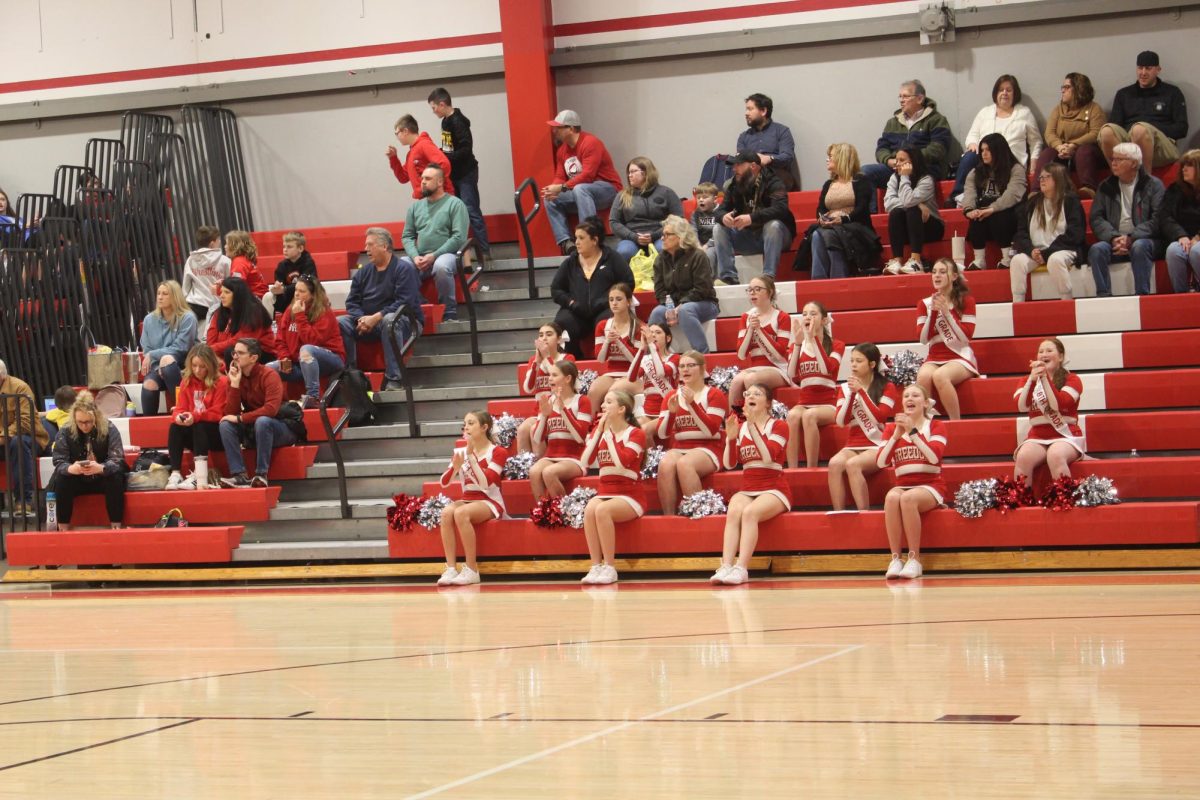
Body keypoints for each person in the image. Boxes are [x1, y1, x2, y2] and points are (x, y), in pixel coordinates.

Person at [712, 383, 790, 585]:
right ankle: (726, 566)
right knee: (734, 511)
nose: (751, 396)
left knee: (749, 513)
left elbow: (768, 456)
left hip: (774, 487)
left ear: (768, 403)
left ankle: (742, 568)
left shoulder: (779, 426)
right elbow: (729, 464)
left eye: (757, 394)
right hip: (748, 487)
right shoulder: (742, 427)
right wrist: (730, 439)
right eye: (748, 394)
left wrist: (753, 425)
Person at [340, 227, 425, 391]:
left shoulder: (403, 269)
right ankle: (350, 373)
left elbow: (404, 302)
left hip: (407, 321)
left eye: (370, 245)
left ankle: (395, 378)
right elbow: (351, 302)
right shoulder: (363, 272)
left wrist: (376, 317)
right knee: (341, 322)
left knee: (390, 319)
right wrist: (361, 319)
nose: (366, 249)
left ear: (384, 246)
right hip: (370, 322)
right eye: (366, 245)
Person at [877, 383, 947, 579]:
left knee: (908, 499)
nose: (909, 398)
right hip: (903, 485)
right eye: (906, 395)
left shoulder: (935, 425)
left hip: (931, 485)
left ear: (925, 403)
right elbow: (881, 462)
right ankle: (895, 559)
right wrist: (896, 436)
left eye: (915, 395)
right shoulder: (892, 428)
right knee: (892, 497)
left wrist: (914, 434)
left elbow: (934, 457)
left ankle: (914, 559)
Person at [578, 390, 647, 585]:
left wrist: (608, 437)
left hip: (630, 494)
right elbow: (585, 461)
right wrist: (599, 432)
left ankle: (609, 567)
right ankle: (595, 566)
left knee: (602, 510)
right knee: (590, 508)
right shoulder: (600, 431)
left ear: (621, 409)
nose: (602, 406)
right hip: (606, 491)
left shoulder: (636, 433)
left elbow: (623, 462)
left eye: (608, 402)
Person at [436, 410, 507, 586]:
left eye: (471, 423)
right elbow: (444, 482)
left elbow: (486, 484)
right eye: (465, 423)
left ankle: (472, 569)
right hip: (468, 497)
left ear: (484, 427)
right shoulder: (461, 451)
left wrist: (471, 458)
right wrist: (455, 467)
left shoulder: (498, 452)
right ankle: (451, 568)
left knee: (460, 513)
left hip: (489, 500)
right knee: (446, 513)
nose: (466, 427)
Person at [549, 216, 634, 358]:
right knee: (562, 322)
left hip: (605, 307)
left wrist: (607, 300)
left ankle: (608, 360)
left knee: (608, 321)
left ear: (594, 240)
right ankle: (573, 360)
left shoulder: (612, 258)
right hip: (576, 310)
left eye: (581, 238)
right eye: (575, 238)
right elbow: (556, 289)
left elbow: (628, 282)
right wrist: (571, 303)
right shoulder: (571, 262)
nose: (576, 242)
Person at [1088, 143, 1165, 297]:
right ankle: (1104, 296)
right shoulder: (1105, 186)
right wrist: (1114, 238)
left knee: (1139, 246)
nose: (1113, 163)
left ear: (1134, 163)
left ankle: (1142, 295)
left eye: (1119, 159)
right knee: (1096, 250)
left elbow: (1159, 219)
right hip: (1115, 240)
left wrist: (1132, 237)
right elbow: (1096, 218)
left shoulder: (1153, 185)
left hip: (1145, 240)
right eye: (1112, 159)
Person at [950, 75, 1042, 204]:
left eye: (1008, 90)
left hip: (1009, 159)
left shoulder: (1024, 113)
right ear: (996, 93)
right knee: (969, 157)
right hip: (985, 158)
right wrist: (972, 144)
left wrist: (1034, 162)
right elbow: (973, 135)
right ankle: (957, 196)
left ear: (1015, 93)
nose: (1004, 93)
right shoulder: (985, 112)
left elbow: (1036, 141)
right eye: (1001, 90)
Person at [656, 351, 728, 515]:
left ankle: (698, 515)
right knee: (665, 464)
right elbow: (662, 434)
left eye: (690, 365)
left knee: (685, 464)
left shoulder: (714, 394)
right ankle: (669, 518)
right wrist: (672, 412)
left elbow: (711, 431)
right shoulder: (671, 396)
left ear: (703, 368)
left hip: (709, 447)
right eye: (682, 366)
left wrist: (692, 405)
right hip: (681, 446)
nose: (685, 370)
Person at [541, 110, 623, 254]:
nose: (554, 131)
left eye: (558, 128)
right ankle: (567, 243)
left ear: (571, 129)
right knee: (550, 199)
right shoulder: (562, 151)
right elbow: (560, 176)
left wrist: (561, 187)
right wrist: (553, 190)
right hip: (581, 193)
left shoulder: (591, 142)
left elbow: (588, 176)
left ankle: (589, 237)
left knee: (580, 188)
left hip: (607, 190)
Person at [828, 343, 898, 512]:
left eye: (858, 361)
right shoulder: (846, 388)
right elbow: (841, 421)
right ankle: (839, 513)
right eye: (851, 361)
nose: (853, 365)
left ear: (872, 364)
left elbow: (880, 417)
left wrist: (861, 392)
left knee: (853, 465)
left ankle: (864, 513)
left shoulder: (887, 387)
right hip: (853, 444)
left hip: (877, 444)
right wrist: (851, 394)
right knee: (834, 463)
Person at [862, 79, 953, 209]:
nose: (901, 100)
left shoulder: (936, 120)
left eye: (905, 96)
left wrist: (911, 160)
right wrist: (890, 160)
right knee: (865, 172)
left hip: (923, 168)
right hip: (895, 167)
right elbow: (881, 148)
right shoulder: (892, 122)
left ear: (920, 99)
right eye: (900, 96)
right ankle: (872, 217)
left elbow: (939, 148)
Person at [218, 338, 293, 489]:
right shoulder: (236, 376)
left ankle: (261, 475)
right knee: (226, 424)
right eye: (234, 353)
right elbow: (230, 412)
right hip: (255, 427)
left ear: (254, 358)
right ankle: (239, 475)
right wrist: (235, 384)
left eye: (240, 353)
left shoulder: (269, 375)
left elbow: (271, 410)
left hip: (282, 426)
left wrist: (240, 418)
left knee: (263, 421)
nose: (235, 357)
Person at [711, 150, 795, 285]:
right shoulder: (734, 185)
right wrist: (723, 217)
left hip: (776, 237)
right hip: (748, 237)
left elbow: (781, 209)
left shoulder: (773, 182)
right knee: (718, 228)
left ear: (753, 166)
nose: (734, 169)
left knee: (772, 225)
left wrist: (752, 218)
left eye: (738, 165)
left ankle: (768, 277)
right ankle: (729, 277)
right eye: (734, 166)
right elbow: (719, 210)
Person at [1009, 163, 1088, 303]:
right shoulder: (1032, 203)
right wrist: (1031, 250)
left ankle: (1066, 301)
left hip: (1065, 249)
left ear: (1058, 178)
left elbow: (1076, 233)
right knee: (1017, 261)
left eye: (1047, 177)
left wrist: (1047, 253)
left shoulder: (1070, 201)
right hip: (1037, 252)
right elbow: (1021, 233)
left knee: (1055, 260)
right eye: (1040, 177)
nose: (1042, 180)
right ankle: (1018, 303)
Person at [1013, 338, 1084, 492]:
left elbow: (1059, 404)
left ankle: (1063, 501)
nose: (1044, 354)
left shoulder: (1072, 379)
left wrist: (1044, 379)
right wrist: (1032, 380)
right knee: (1023, 457)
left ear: (1060, 357)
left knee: (1055, 455)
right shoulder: (1027, 380)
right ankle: (1021, 503)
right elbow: (1021, 406)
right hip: (1037, 436)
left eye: (1049, 351)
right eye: (1041, 351)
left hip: (1066, 435)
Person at [1099, 51, 1189, 171]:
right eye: (1140, 68)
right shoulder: (1124, 94)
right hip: (1130, 143)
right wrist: (1133, 134)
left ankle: (1144, 183)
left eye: (1148, 68)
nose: (1143, 73)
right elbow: (1116, 125)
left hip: (1162, 146)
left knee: (1140, 129)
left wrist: (1150, 129)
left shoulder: (1172, 93)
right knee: (1106, 131)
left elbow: (1182, 128)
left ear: (1158, 70)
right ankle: (1121, 177)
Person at [48, 392, 126, 529]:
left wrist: (102, 468)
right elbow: (59, 461)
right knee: (61, 478)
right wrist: (70, 468)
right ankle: (63, 528)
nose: (84, 426)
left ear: (96, 416)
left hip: (102, 476)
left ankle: (116, 526)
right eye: (80, 422)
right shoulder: (65, 431)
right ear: (74, 419)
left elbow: (118, 459)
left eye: (88, 422)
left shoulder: (109, 428)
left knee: (115, 477)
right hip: (77, 478)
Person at [402, 164, 469, 323]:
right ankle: (421, 304)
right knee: (401, 266)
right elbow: (407, 236)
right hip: (421, 256)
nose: (423, 182)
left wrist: (434, 255)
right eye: (422, 178)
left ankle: (449, 312)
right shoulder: (415, 207)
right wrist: (415, 256)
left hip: (449, 255)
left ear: (440, 182)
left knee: (441, 266)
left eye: (428, 178)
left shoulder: (455, 204)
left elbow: (459, 237)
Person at [802, 143, 880, 279]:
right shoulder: (828, 184)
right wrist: (821, 218)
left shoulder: (860, 180)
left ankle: (837, 278)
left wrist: (843, 219)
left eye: (830, 156)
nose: (827, 160)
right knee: (816, 234)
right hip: (831, 226)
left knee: (830, 234)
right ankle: (819, 279)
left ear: (841, 158)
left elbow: (862, 209)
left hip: (855, 227)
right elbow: (821, 208)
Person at [267, 275, 346, 408]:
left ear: (313, 295)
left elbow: (312, 340)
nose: (297, 294)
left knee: (306, 350)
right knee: (268, 369)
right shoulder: (289, 310)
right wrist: (285, 358)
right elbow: (280, 340)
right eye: (296, 290)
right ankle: (273, 404)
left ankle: (313, 398)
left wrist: (300, 316)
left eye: (302, 291)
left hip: (330, 360)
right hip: (299, 363)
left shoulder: (324, 313)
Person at [647, 215, 720, 354]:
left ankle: (703, 356)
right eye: (662, 235)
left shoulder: (698, 256)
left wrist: (679, 307)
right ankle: (653, 357)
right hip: (674, 306)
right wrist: (669, 308)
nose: (662, 238)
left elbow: (702, 289)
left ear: (681, 236)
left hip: (704, 303)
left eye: (667, 234)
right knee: (657, 312)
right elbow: (660, 291)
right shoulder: (660, 259)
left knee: (685, 310)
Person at [428, 87, 488, 255]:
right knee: (456, 213)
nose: (433, 112)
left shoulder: (459, 122)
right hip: (454, 174)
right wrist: (441, 154)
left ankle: (485, 252)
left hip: (466, 173)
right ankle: (461, 252)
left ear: (442, 104)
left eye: (433, 108)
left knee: (471, 210)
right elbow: (449, 149)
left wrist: (444, 157)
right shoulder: (445, 122)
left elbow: (465, 150)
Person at [785, 301, 845, 469]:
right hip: (804, 402)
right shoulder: (797, 345)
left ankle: (811, 468)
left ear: (824, 320)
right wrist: (797, 344)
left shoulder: (836, 344)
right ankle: (793, 469)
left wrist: (813, 340)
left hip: (829, 404)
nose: (808, 317)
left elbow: (827, 369)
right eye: (804, 314)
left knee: (809, 416)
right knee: (792, 416)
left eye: (813, 314)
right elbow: (791, 374)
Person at [917, 258, 977, 420]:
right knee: (922, 377)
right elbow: (923, 339)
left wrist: (947, 314)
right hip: (935, 356)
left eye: (943, 272)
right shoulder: (924, 304)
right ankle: (926, 424)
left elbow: (965, 337)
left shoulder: (967, 301)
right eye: (934, 272)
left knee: (940, 376)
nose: (937, 276)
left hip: (960, 356)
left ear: (955, 276)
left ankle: (956, 423)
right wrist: (934, 313)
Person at [165, 344, 229, 490]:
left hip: (215, 433)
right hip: (194, 429)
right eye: (194, 366)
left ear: (211, 366)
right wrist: (179, 416)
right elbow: (180, 408)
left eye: (202, 366)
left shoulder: (222, 382)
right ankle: (175, 473)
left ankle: (200, 475)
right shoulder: (186, 381)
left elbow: (218, 413)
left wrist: (195, 416)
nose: (197, 370)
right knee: (175, 426)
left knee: (200, 425)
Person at [961, 133, 1028, 270]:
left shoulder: (1016, 169)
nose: (984, 154)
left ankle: (1007, 258)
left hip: (1010, 216)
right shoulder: (975, 172)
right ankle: (979, 260)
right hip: (986, 218)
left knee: (999, 213)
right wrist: (969, 210)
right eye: (982, 150)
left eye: (988, 150)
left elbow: (1013, 195)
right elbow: (969, 193)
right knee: (976, 216)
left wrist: (992, 209)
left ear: (998, 150)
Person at [1033, 72, 1106, 196]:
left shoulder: (1094, 109)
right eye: (1062, 87)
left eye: (1067, 87)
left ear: (1079, 89)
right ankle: (1036, 191)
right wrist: (1059, 146)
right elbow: (1049, 133)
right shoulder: (1058, 109)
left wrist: (1073, 145)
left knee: (1085, 151)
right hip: (1062, 152)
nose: (1063, 91)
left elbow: (1096, 133)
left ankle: (1088, 189)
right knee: (1047, 153)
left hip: (1085, 154)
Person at [528, 360, 592, 501]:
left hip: (575, 458)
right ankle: (545, 514)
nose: (549, 378)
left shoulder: (582, 401)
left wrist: (563, 410)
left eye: (554, 375)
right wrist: (544, 415)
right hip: (550, 455)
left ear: (568, 378)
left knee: (549, 472)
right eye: (549, 375)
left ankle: (563, 513)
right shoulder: (547, 401)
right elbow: (538, 439)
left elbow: (580, 438)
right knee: (534, 471)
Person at [728, 275, 792, 409]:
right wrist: (751, 328)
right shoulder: (746, 317)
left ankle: (756, 418)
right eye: (750, 290)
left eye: (757, 289)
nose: (752, 293)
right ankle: (736, 423)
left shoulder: (782, 317)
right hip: (754, 367)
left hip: (777, 368)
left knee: (751, 379)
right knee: (736, 382)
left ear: (770, 292)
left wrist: (760, 330)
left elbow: (779, 354)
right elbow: (741, 355)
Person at [139, 280, 198, 416]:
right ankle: (150, 425)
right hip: (157, 367)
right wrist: (157, 364)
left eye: (165, 294)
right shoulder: (149, 320)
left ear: (175, 296)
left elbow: (181, 347)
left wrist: (156, 356)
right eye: (158, 293)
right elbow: (146, 349)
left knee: (167, 359)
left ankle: (183, 408)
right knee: (149, 385)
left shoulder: (187, 318)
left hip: (184, 366)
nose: (160, 297)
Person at [609, 157, 683, 264]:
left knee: (663, 250)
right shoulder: (622, 195)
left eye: (633, 171)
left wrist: (655, 235)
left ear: (646, 173)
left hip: (660, 236)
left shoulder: (667, 192)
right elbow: (614, 222)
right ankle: (628, 281)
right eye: (628, 172)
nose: (629, 175)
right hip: (631, 237)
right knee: (624, 252)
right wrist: (633, 236)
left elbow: (678, 218)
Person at [882, 147, 943, 275]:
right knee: (896, 213)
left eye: (902, 160)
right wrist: (920, 204)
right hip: (908, 228)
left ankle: (916, 261)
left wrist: (905, 177)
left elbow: (909, 201)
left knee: (912, 210)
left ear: (913, 162)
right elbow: (888, 203)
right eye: (896, 160)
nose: (897, 164)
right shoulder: (894, 178)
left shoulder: (926, 179)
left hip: (931, 226)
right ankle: (897, 260)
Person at [0, 359, 49, 515]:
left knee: (17, 443)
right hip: (3, 439)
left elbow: (25, 422)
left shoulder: (20, 388)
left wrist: (2, 436)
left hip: (29, 438)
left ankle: (24, 500)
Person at [516, 322, 572, 456]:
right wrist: (536, 362)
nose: (544, 338)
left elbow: (559, 378)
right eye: (541, 335)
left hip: (559, 410)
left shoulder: (567, 359)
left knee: (534, 429)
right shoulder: (534, 360)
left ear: (558, 339)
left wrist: (547, 357)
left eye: (549, 334)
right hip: (539, 411)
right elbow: (528, 388)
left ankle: (540, 466)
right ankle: (525, 467)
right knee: (523, 429)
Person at [588, 283, 643, 411]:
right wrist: (607, 342)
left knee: (613, 392)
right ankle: (592, 426)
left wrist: (619, 342)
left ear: (628, 302)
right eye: (611, 299)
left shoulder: (639, 326)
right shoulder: (603, 325)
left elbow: (636, 360)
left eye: (619, 299)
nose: (614, 303)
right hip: (611, 372)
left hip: (632, 374)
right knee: (593, 391)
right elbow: (601, 359)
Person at [629, 322, 679, 445]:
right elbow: (631, 377)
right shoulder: (646, 360)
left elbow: (661, 372)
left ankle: (653, 462)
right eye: (650, 333)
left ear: (668, 338)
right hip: (648, 412)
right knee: (632, 430)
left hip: (667, 412)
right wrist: (642, 349)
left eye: (658, 332)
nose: (653, 335)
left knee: (644, 430)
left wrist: (651, 345)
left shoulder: (675, 358)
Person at [736, 93, 799, 191]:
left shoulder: (782, 131)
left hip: (776, 174)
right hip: (751, 176)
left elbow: (787, 156)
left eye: (750, 109)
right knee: (728, 185)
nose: (746, 113)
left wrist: (769, 159)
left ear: (763, 111)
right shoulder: (743, 137)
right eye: (746, 109)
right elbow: (740, 160)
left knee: (774, 183)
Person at [207, 277, 276, 364]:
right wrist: (209, 352)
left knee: (231, 352)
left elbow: (241, 341)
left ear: (238, 295)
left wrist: (211, 350)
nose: (221, 296)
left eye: (226, 292)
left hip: (260, 354)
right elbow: (211, 338)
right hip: (228, 351)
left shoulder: (254, 312)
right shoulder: (220, 312)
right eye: (221, 292)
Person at [387, 114, 453, 200]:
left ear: (405, 131)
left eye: (397, 133)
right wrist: (393, 158)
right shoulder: (411, 153)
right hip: (426, 199)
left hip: (438, 198)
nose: (397, 138)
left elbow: (444, 164)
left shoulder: (424, 144)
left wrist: (432, 187)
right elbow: (403, 178)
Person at [1162, 149, 1200, 294]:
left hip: (1198, 240)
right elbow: (1165, 217)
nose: (1184, 168)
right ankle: (1181, 294)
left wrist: (1198, 237)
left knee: (1197, 251)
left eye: (1189, 165)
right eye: (1183, 165)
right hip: (1183, 237)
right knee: (1173, 251)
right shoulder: (1175, 190)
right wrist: (1180, 235)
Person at [181, 225, 230, 323]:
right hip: (217, 306)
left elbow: (186, 285)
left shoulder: (191, 259)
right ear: (212, 244)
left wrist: (184, 305)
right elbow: (231, 284)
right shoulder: (225, 261)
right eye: (218, 240)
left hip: (194, 305)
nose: (220, 242)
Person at [267, 231, 319, 316]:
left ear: (300, 248)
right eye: (284, 246)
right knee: (268, 296)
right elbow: (280, 284)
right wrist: (277, 287)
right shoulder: (281, 265)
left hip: (306, 297)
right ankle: (271, 325)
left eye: (289, 247)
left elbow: (306, 285)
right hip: (287, 298)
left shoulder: (308, 263)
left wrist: (285, 289)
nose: (285, 249)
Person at [223, 229, 269, 300]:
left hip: (255, 299)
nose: (225, 247)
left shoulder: (239, 262)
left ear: (235, 246)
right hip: (258, 297)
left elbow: (237, 287)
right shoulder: (243, 259)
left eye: (227, 244)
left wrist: (219, 289)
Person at [690, 182, 721, 269]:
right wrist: (698, 246)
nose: (701, 200)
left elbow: (719, 233)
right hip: (699, 245)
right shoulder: (695, 214)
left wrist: (707, 245)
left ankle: (710, 279)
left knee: (709, 254)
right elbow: (693, 231)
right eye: (698, 197)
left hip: (716, 244)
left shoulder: (720, 212)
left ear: (715, 199)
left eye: (705, 197)